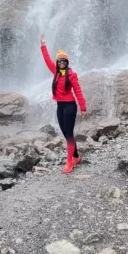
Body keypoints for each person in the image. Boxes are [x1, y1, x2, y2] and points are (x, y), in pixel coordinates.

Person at [40, 33, 87, 174]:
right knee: (66, 133)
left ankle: (69, 162)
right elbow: (47, 59)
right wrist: (43, 45)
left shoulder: (71, 75)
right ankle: (77, 156)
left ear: (67, 63)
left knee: (69, 134)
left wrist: (83, 108)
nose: (61, 63)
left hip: (70, 106)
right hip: (59, 106)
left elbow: (78, 92)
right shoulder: (55, 72)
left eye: (64, 61)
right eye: (59, 61)